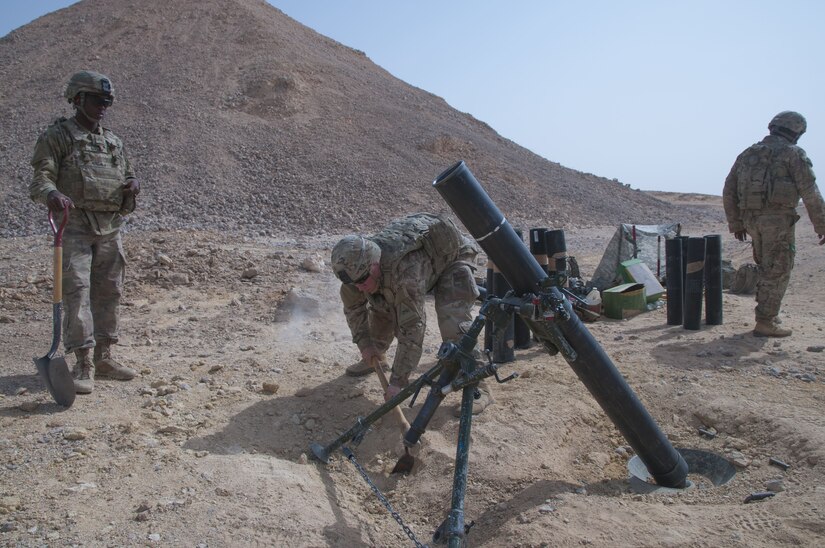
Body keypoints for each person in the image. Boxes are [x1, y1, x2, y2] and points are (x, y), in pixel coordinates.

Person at [29, 70, 141, 393]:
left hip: (109, 227)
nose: (103, 107)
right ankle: (83, 362)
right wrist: (52, 195)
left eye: (107, 102)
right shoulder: (60, 136)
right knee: (77, 292)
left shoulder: (113, 142)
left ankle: (105, 356)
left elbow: (128, 175)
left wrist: (132, 186)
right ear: (78, 100)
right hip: (74, 226)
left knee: (109, 291)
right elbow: (41, 177)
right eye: (97, 100)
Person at [330, 213, 492, 415]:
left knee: (452, 318)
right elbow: (354, 309)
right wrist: (366, 345)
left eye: (362, 281)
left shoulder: (405, 273)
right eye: (355, 283)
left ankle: (477, 386)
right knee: (381, 301)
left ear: (374, 265)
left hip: (452, 258)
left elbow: (412, 330)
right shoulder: (356, 274)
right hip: (407, 271)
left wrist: (398, 382)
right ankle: (376, 356)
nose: (359, 288)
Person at [723, 111, 825, 337]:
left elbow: (729, 190)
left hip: (751, 221)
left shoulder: (748, 154)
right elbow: (810, 193)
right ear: (796, 132)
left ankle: (768, 316)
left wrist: (737, 223)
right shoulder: (793, 154)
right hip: (777, 221)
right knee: (778, 269)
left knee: (766, 268)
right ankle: (766, 321)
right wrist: (822, 225)